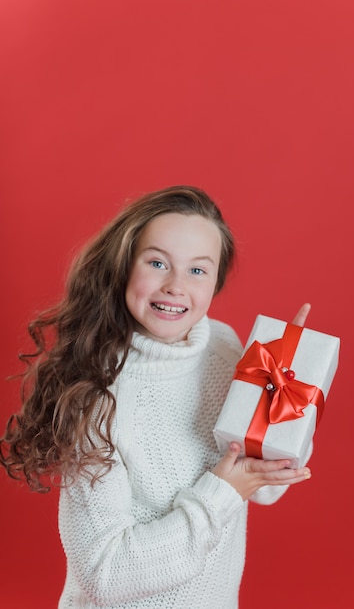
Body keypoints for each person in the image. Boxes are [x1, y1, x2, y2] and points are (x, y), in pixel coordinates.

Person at [0, 186, 312, 609]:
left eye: (197, 271)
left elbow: (260, 486)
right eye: (157, 262)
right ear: (124, 267)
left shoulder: (223, 348)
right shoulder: (97, 396)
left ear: (216, 281)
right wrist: (220, 493)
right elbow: (104, 575)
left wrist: (290, 394)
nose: (175, 286)